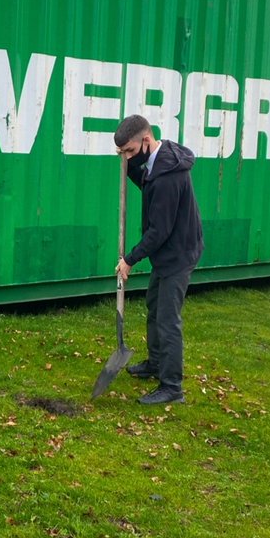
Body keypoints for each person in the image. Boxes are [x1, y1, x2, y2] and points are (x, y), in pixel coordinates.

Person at [113, 114, 204, 405]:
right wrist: (128, 168)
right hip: (169, 250)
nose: (127, 156)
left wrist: (130, 259)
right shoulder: (159, 161)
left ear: (146, 141)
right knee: (154, 307)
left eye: (129, 151)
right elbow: (147, 182)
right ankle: (155, 363)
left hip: (177, 253)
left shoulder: (169, 175)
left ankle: (172, 387)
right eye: (122, 153)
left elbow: (159, 231)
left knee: (167, 320)